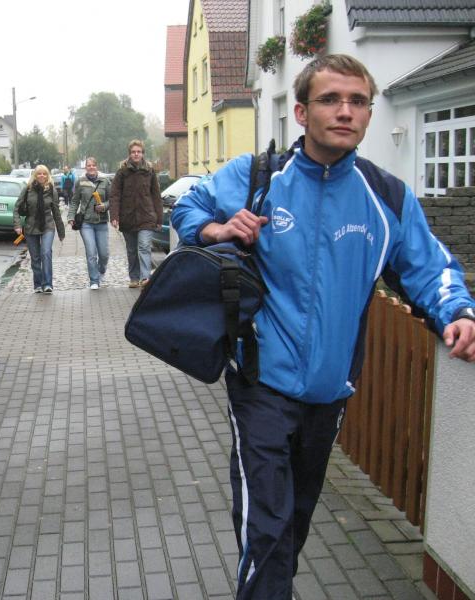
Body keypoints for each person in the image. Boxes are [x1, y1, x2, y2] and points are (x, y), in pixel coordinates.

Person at [171, 54, 475, 600]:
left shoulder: (387, 197)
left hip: (330, 392)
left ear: (369, 113)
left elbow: (430, 268)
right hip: (260, 383)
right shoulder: (257, 176)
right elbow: (188, 206)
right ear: (302, 112)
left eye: (358, 101)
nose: (345, 111)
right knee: (266, 524)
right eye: (331, 99)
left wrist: (458, 313)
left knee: (295, 521)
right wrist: (215, 229)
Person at [109, 139, 162, 288]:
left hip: (147, 216)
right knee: (132, 250)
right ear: (129, 154)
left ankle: (145, 278)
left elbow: (156, 195)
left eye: (139, 152)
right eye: (133, 152)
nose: (136, 154)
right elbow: (115, 195)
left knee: (144, 246)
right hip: (128, 217)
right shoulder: (122, 172)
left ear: (143, 153)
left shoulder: (149, 171)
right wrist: (114, 216)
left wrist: (159, 218)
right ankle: (134, 277)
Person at [13, 164, 65, 294]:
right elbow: (16, 208)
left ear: (48, 176)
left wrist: (61, 232)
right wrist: (17, 225)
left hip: (47, 225)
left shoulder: (51, 190)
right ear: (35, 175)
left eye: (44, 173)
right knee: (35, 257)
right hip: (31, 226)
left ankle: (47, 284)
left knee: (46, 252)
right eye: (39, 173)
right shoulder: (28, 189)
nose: (42, 176)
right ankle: (38, 284)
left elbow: (56, 211)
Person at [67, 157, 110, 289]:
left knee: (104, 254)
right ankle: (94, 280)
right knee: (91, 252)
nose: (91, 167)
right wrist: (71, 216)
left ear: (97, 167)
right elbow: (75, 201)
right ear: (85, 167)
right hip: (86, 223)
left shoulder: (105, 181)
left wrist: (104, 206)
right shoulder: (80, 182)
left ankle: (101, 270)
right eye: (88, 165)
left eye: (93, 165)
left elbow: (112, 200)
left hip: (102, 222)